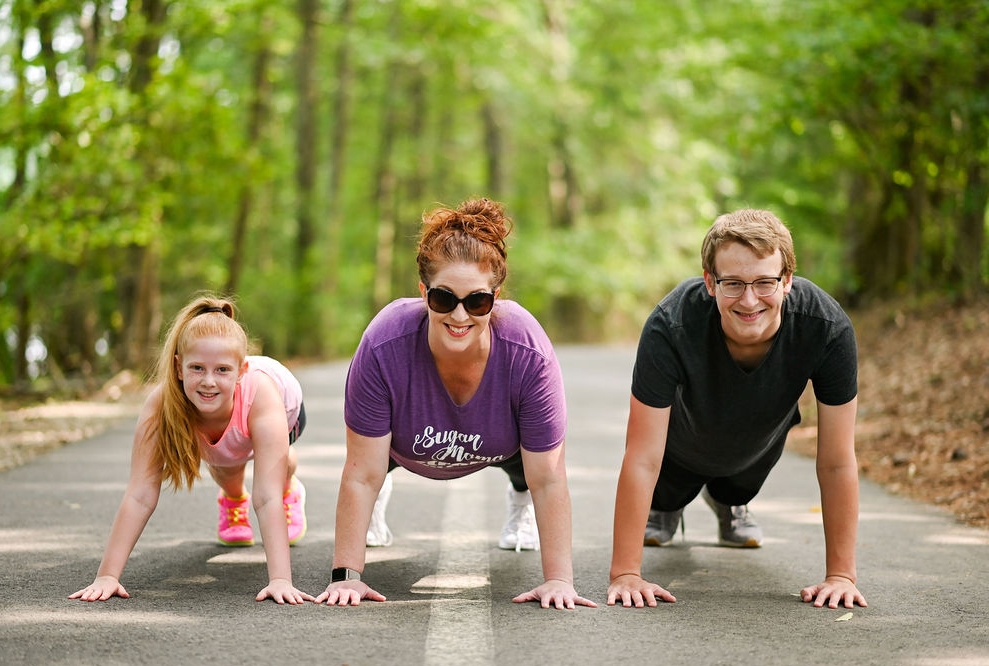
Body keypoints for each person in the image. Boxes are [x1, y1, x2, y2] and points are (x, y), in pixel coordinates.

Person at [315, 197, 596, 610]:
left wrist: (558, 581)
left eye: (477, 301)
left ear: (496, 298)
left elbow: (549, 478)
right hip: (401, 446)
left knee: (535, 467)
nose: (460, 315)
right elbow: (360, 473)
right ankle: (375, 509)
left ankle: (518, 504)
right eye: (444, 299)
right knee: (373, 470)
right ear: (423, 292)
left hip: (505, 447)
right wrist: (347, 577)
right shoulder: (384, 343)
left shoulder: (527, 352)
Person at [607, 208, 867, 610]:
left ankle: (730, 503)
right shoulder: (670, 324)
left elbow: (836, 461)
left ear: (788, 281)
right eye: (732, 284)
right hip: (679, 446)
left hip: (756, 444)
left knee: (737, 483)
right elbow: (642, 457)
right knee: (665, 495)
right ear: (710, 283)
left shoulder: (826, 327)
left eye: (765, 282)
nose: (749, 300)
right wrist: (625, 574)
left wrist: (841, 576)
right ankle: (668, 509)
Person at [69, 296, 312, 604]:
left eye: (222, 370)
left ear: (241, 372)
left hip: (283, 414)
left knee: (276, 471)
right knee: (226, 462)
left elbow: (265, 498)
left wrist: (280, 580)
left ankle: (291, 486)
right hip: (220, 433)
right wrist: (107, 576)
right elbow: (140, 494)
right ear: (178, 367)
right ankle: (234, 498)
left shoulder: (263, 393)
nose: (209, 381)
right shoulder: (161, 403)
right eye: (197, 368)